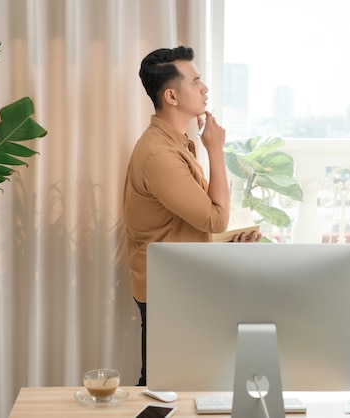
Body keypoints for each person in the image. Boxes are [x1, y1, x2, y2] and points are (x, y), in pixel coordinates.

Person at [123, 46, 261, 386]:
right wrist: (216, 148)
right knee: (160, 387)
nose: (205, 89)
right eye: (196, 81)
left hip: (182, 281)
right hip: (170, 290)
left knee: (181, 384)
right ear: (171, 95)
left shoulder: (176, 144)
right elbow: (214, 219)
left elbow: (188, 224)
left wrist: (229, 242)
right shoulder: (159, 154)